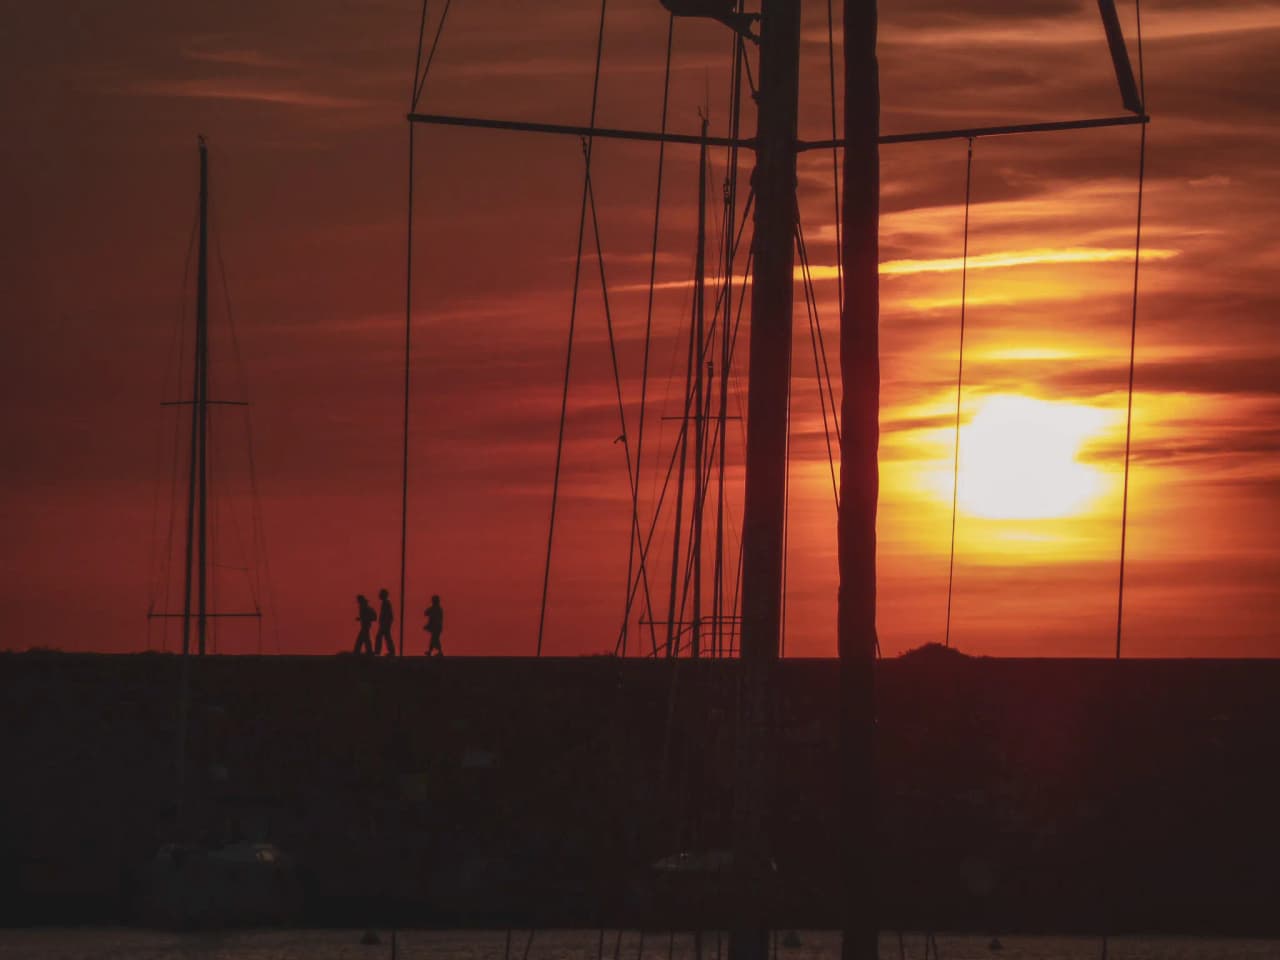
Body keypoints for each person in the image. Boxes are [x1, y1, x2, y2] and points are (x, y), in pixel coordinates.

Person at [374, 588, 395, 656]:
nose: (379, 595)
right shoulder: (385, 603)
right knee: (387, 637)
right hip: (385, 623)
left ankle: (378, 651)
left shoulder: (386, 603)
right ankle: (391, 651)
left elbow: (388, 614)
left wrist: (385, 623)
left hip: (385, 623)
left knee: (380, 636)